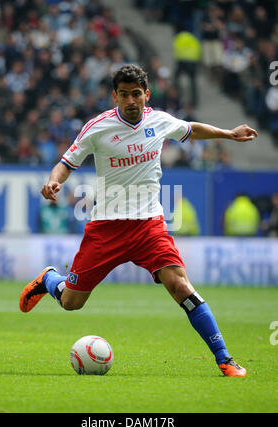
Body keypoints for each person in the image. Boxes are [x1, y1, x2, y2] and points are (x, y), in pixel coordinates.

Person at [19, 64, 258, 377]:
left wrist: (228, 134)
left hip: (149, 226)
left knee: (180, 287)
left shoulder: (159, 121)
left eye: (136, 94)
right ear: (115, 96)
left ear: (146, 94)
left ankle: (225, 359)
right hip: (106, 228)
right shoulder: (97, 127)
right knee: (71, 302)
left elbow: (190, 129)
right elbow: (67, 162)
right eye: (124, 94)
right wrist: (54, 181)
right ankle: (50, 279)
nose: (131, 100)